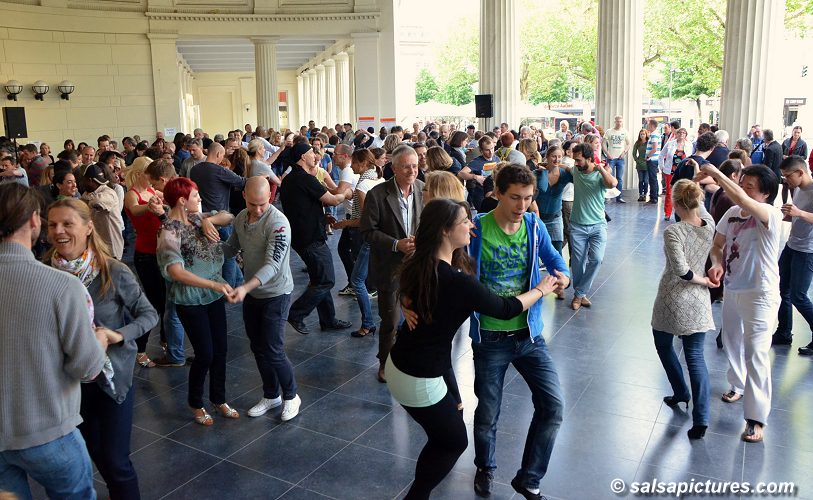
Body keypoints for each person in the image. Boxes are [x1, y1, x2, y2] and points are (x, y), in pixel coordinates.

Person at [391, 198, 558, 500]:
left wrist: (453, 391)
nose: (472, 225)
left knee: (444, 433)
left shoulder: (422, 261)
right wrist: (542, 289)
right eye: (465, 221)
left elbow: (419, 307)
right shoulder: (455, 281)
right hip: (417, 376)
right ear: (445, 231)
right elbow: (506, 308)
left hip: (411, 362)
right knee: (454, 441)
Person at [465, 163, 570, 500]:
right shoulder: (477, 229)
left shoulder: (534, 225)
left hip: (528, 335)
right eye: (514, 198)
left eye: (527, 198)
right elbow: (447, 268)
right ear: (496, 192)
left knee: (553, 406)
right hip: (490, 337)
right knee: (488, 412)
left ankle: (529, 477)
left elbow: (556, 260)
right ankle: (485, 465)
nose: (522, 205)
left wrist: (563, 276)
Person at [0, 183, 107, 499]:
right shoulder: (62, 286)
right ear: (35, 221)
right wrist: (99, 340)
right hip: (49, 434)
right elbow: (87, 369)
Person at [46, 198, 157, 499]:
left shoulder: (113, 271)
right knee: (88, 454)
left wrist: (114, 335)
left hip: (111, 380)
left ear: (88, 228)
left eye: (67, 223)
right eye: (52, 224)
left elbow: (149, 315)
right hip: (67, 384)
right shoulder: (44, 272)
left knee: (116, 461)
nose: (59, 231)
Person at [698, 163, 781, 443]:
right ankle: (737, 384)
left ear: (765, 194)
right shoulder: (733, 214)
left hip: (761, 294)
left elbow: (744, 200)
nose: (742, 191)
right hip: (733, 289)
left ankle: (756, 418)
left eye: (749, 187)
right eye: (741, 183)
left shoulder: (769, 214)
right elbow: (717, 245)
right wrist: (717, 263)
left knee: (756, 352)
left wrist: (717, 174)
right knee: (732, 341)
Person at [157, 177, 240, 426]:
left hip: (213, 296)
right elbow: (175, 272)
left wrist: (208, 219)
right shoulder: (168, 231)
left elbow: (229, 216)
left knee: (221, 350)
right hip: (190, 299)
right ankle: (196, 402)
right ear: (182, 200)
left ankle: (219, 398)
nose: (200, 200)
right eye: (196, 197)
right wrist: (214, 284)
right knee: (205, 353)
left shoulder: (197, 218)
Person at [224, 177, 302, 421]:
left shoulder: (278, 223)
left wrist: (245, 287)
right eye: (253, 204)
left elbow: (273, 264)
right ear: (244, 196)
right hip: (253, 293)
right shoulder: (240, 218)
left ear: (271, 197)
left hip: (276, 294)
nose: (258, 209)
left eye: (263, 203)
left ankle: (291, 395)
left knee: (273, 348)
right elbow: (230, 248)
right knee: (258, 347)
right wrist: (204, 253)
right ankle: (271, 395)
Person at [651, 180, 718, 440]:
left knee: (664, 345)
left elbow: (682, 270)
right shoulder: (709, 225)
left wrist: (703, 280)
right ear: (698, 201)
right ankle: (701, 418)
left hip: (672, 298)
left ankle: (680, 391)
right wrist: (708, 282)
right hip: (699, 301)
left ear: (676, 204)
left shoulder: (673, 231)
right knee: (695, 357)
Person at [360, 144, 425, 383]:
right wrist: (396, 244)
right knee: (390, 320)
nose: (412, 171)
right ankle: (385, 364)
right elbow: (367, 231)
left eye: (415, 166)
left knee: (418, 318)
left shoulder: (422, 189)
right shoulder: (378, 194)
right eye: (406, 166)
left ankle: (411, 360)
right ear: (394, 168)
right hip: (390, 266)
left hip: (418, 267)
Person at [280, 142, 353, 335]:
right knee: (326, 280)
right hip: (310, 237)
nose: (316, 156)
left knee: (319, 278)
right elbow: (334, 200)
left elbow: (302, 206)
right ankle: (296, 313)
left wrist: (322, 217)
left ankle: (328, 320)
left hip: (301, 235)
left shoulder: (289, 179)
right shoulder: (305, 179)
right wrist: (348, 192)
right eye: (312, 152)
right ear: (303, 156)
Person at [332, 149, 382, 338]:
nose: (351, 166)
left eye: (354, 163)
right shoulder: (378, 179)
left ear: (362, 163)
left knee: (357, 281)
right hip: (382, 239)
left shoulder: (363, 185)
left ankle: (368, 323)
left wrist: (343, 223)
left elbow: (364, 220)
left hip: (370, 238)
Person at [568, 143, 618, 310]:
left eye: (579, 160)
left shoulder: (600, 176)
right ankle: (580, 294)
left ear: (589, 159)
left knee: (596, 259)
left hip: (598, 225)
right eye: (575, 160)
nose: (576, 163)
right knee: (577, 262)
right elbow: (566, 167)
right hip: (577, 225)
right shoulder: (576, 170)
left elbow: (613, 184)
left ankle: (579, 293)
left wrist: (601, 169)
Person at [773, 156, 813, 355]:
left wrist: (798, 213)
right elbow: (797, 216)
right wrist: (784, 215)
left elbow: (804, 215)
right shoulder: (796, 188)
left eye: (788, 176)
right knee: (782, 289)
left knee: (798, 295)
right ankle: (783, 332)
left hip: (808, 250)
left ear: (800, 173)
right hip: (792, 245)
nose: (786, 180)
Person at [660, 128, 693, 221]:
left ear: (686, 135)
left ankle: (682, 213)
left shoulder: (689, 145)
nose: (682, 134)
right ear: (677, 134)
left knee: (683, 192)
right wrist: (662, 167)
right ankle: (667, 213)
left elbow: (691, 157)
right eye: (680, 132)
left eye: (684, 133)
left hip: (684, 171)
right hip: (670, 171)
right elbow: (661, 155)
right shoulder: (670, 143)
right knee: (669, 192)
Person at [602, 115, 630, 203]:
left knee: (619, 178)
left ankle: (619, 197)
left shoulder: (625, 131)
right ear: (615, 122)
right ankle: (608, 196)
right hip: (611, 158)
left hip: (620, 158)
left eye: (620, 121)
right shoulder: (609, 131)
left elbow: (629, 144)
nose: (619, 123)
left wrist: (624, 152)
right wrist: (607, 154)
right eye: (617, 121)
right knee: (609, 176)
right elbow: (603, 143)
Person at [632, 128, 649, 202]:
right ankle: (640, 195)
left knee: (645, 181)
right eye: (641, 134)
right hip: (640, 164)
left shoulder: (648, 142)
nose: (642, 135)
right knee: (641, 180)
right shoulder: (637, 143)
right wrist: (637, 160)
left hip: (647, 163)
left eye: (643, 134)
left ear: (646, 135)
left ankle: (645, 195)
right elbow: (634, 153)